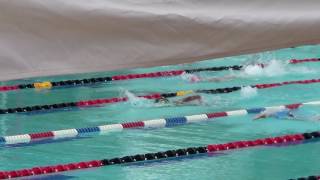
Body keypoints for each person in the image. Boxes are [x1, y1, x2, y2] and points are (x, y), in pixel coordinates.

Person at [253, 108, 320, 121]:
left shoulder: (267, 113)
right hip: (286, 112)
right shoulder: (269, 111)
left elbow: (261, 116)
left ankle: (317, 118)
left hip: (285, 114)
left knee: (300, 118)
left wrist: (256, 118)